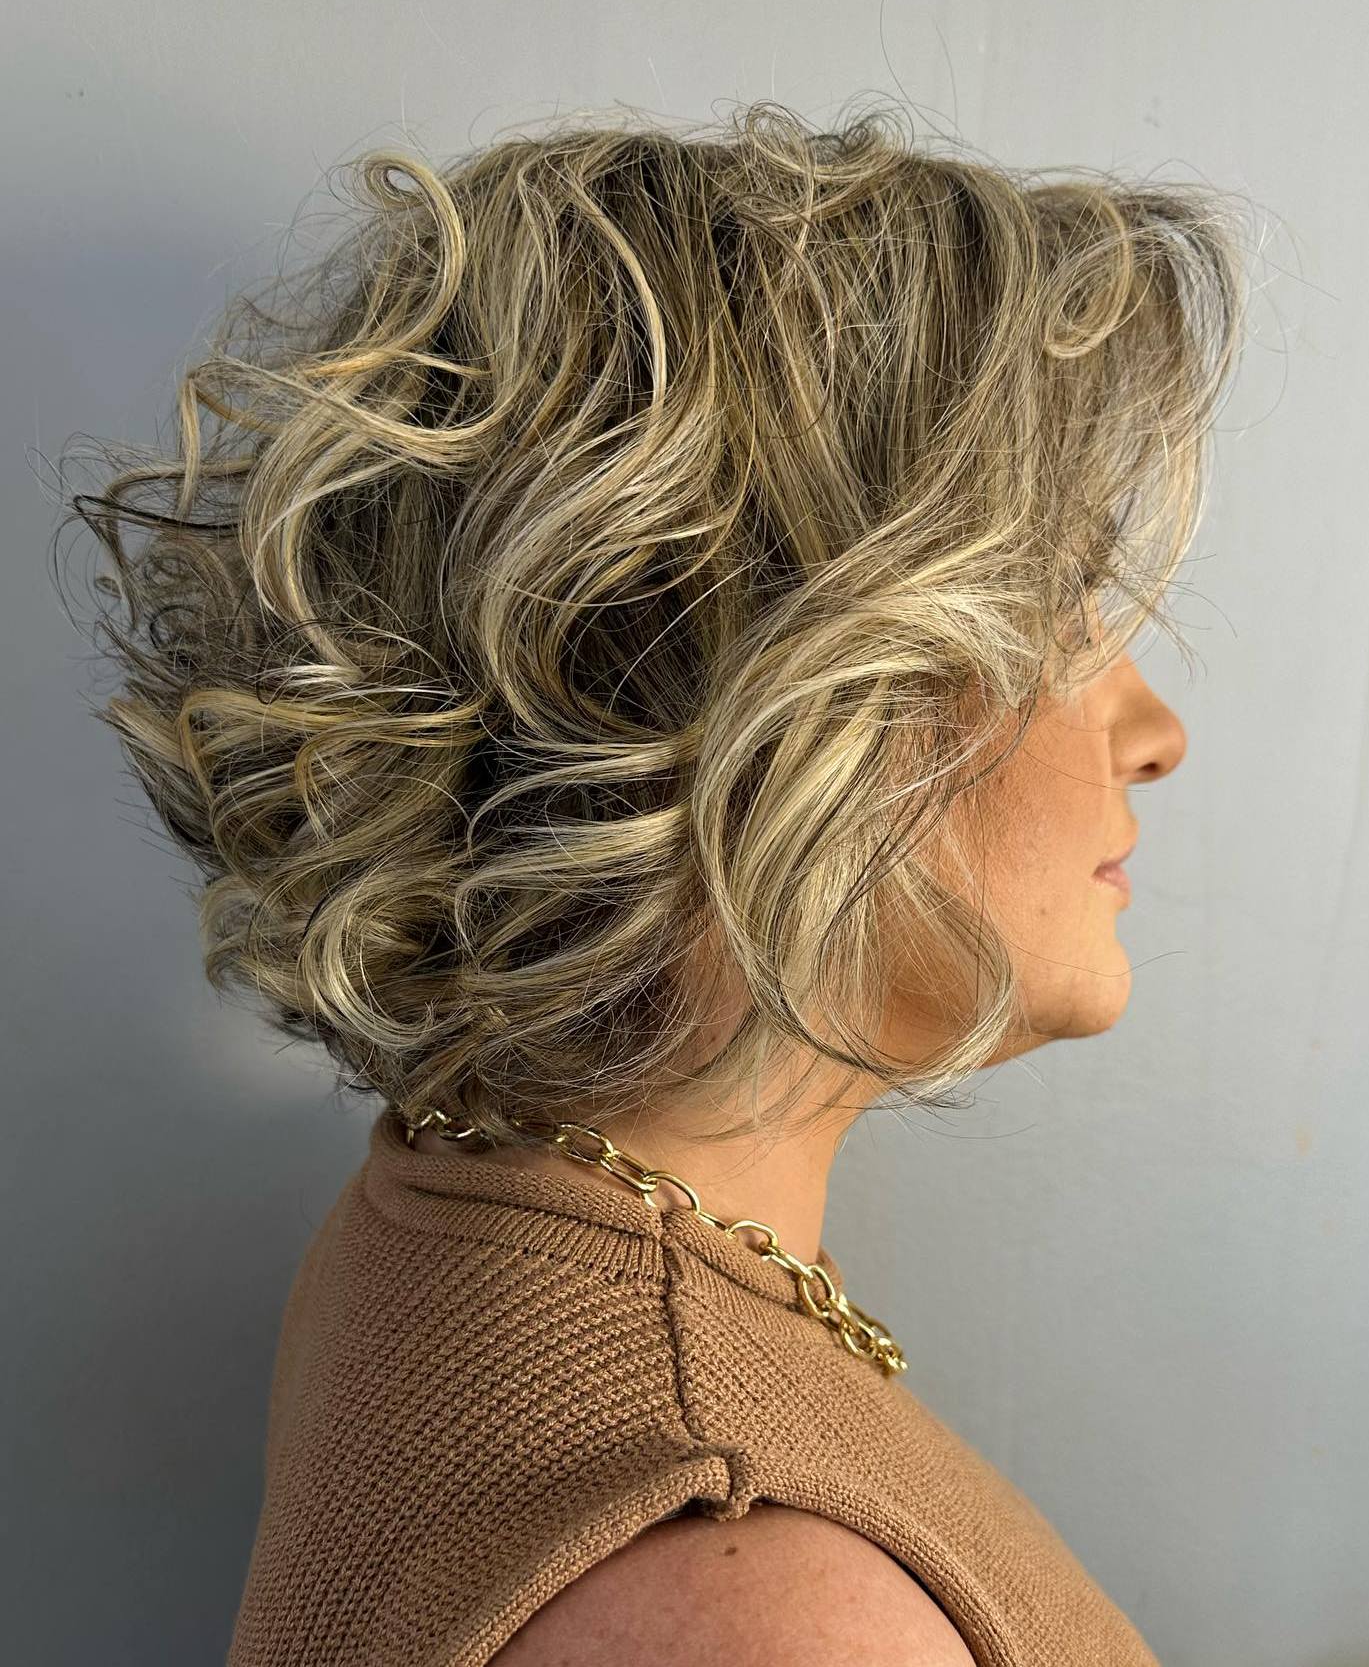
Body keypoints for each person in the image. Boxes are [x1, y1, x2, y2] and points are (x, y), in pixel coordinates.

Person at [62, 98, 1247, 1665]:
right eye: (1057, 603)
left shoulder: (467, 1190)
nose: (1153, 735)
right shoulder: (755, 1605)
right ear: (762, 681)